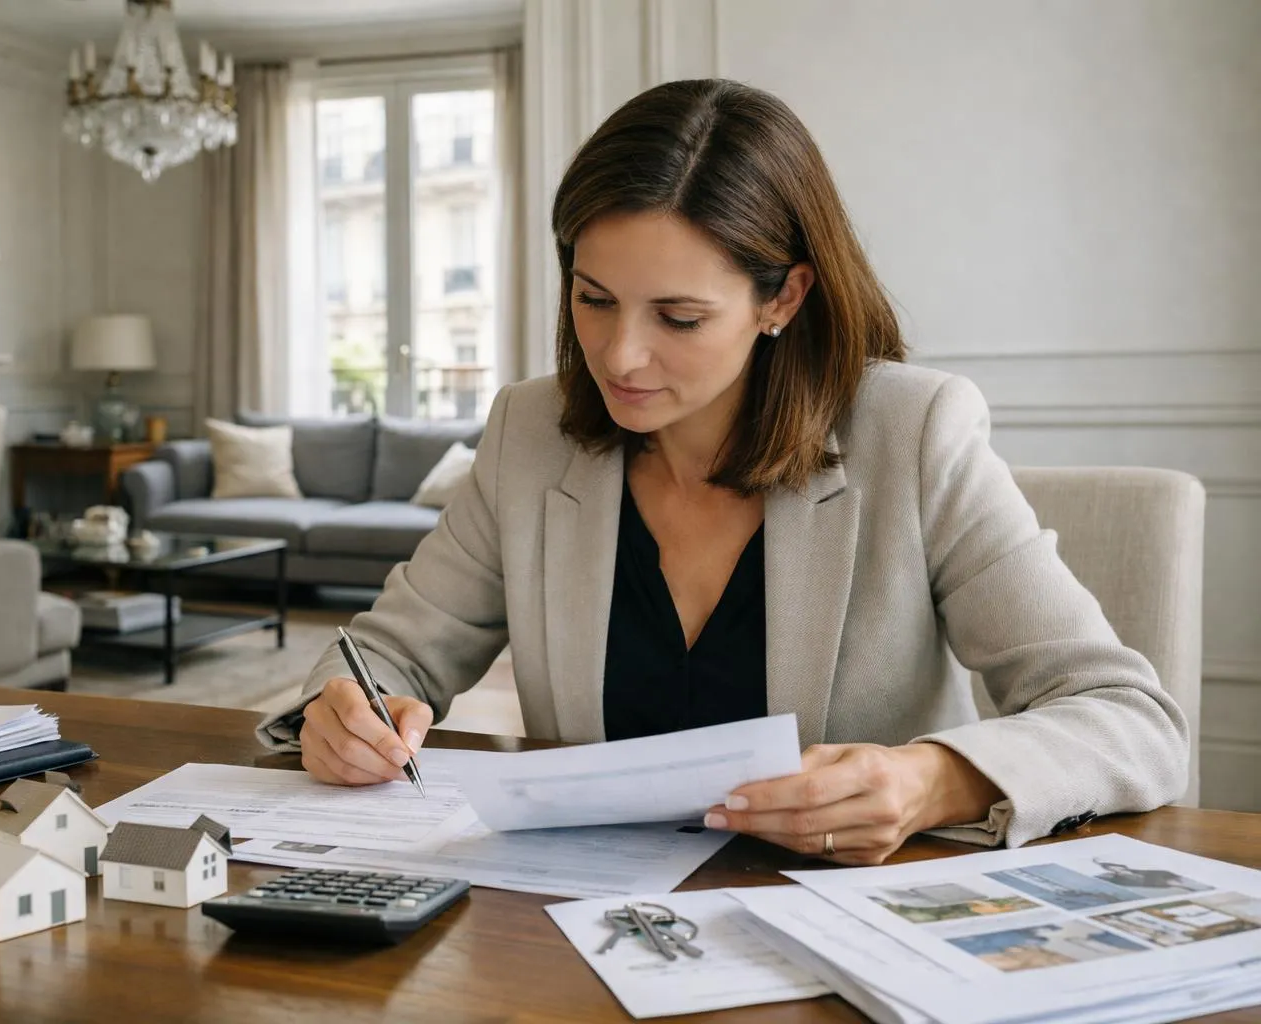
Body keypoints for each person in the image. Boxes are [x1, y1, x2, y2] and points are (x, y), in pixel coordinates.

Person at [257, 79, 1188, 864]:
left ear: (783, 297)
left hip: (844, 927)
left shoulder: (913, 432)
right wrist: (345, 715)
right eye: (593, 299)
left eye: (679, 318)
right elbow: (386, 656)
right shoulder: (529, 433)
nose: (620, 355)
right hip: (580, 924)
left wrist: (928, 781)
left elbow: (1129, 719)